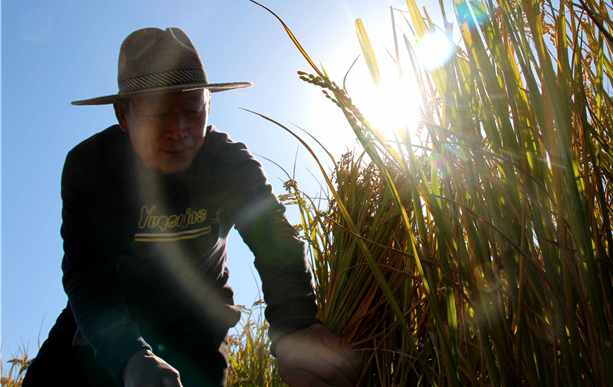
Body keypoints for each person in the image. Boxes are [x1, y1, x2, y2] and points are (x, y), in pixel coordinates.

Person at [22, 27, 361, 387]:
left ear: (208, 105)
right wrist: (129, 358)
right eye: (157, 113)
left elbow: (273, 237)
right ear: (123, 114)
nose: (179, 130)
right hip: (109, 319)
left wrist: (295, 327)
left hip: (197, 327)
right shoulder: (91, 167)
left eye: (192, 110)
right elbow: (87, 273)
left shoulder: (229, 164)